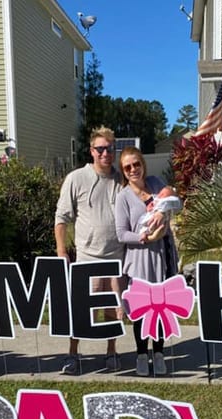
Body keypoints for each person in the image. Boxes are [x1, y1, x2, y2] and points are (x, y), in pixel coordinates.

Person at [54, 126, 139, 375]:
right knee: (80, 310)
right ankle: (72, 354)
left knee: (114, 309)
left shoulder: (122, 179)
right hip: (87, 257)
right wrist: (61, 251)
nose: (105, 153)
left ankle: (111, 352)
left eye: (109, 149)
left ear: (114, 151)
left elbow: (148, 190)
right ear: (91, 151)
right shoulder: (76, 178)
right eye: (100, 148)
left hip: (116, 257)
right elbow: (61, 218)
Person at [115, 146, 181, 376]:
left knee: (161, 308)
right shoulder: (123, 197)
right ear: (123, 172)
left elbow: (172, 195)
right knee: (142, 311)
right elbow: (122, 234)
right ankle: (142, 354)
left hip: (163, 256)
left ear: (143, 164)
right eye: (128, 167)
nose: (134, 169)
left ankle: (159, 354)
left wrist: (162, 212)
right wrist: (145, 237)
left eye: (136, 164)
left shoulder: (154, 182)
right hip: (140, 259)